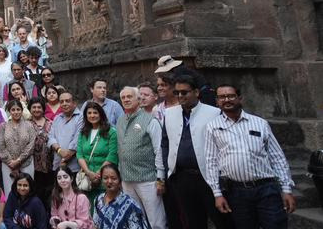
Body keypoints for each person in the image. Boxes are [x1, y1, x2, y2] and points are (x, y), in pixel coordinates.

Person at [204, 84, 295, 229]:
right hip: (236, 192)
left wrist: (286, 189)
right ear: (217, 101)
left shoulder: (260, 123)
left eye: (231, 96)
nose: (226, 100)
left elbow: (277, 157)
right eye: (222, 97)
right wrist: (217, 194)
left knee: (276, 225)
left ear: (240, 98)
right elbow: (211, 161)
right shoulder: (212, 127)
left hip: (266, 189)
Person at [160, 75, 230, 229]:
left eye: (184, 92)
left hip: (208, 177)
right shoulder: (169, 113)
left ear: (196, 92)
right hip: (181, 178)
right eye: (177, 93)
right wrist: (167, 168)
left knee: (222, 220)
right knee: (193, 222)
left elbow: (224, 145)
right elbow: (165, 144)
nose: (180, 96)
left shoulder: (214, 113)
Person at [116, 87, 165, 229]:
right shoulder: (120, 120)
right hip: (126, 179)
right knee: (134, 220)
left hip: (148, 179)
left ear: (138, 99)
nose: (126, 100)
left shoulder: (150, 120)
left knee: (156, 221)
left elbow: (159, 150)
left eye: (129, 96)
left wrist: (160, 178)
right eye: (123, 97)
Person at [77, 102, 118, 206]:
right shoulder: (83, 132)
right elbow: (79, 154)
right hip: (88, 179)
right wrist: (88, 172)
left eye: (95, 113)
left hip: (106, 178)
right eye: (89, 113)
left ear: (101, 114)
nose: (92, 115)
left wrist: (99, 173)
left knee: (105, 206)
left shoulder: (111, 132)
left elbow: (112, 155)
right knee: (89, 207)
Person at [0, 99, 38, 196]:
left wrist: (19, 160)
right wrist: (10, 162)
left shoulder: (29, 125)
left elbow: (31, 144)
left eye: (18, 109)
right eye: (13, 110)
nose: (16, 112)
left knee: (27, 190)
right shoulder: (3, 126)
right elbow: (1, 146)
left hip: (26, 163)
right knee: (10, 191)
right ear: (9, 111)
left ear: (22, 110)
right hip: (8, 164)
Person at [92, 164, 150, 229]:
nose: (109, 181)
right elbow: (95, 225)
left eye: (114, 178)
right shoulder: (98, 199)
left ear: (120, 181)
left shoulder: (130, 205)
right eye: (105, 178)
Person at [49, 90, 84, 173]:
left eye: (67, 101)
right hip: (58, 165)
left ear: (74, 103)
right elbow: (51, 137)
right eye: (61, 102)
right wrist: (59, 150)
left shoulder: (81, 117)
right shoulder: (57, 118)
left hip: (75, 166)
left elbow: (78, 138)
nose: (64, 104)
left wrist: (66, 156)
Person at [29, 98, 55, 202]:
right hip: (32, 165)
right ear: (30, 109)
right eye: (34, 107)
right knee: (36, 192)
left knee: (49, 193)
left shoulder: (51, 123)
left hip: (50, 164)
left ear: (43, 109)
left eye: (39, 107)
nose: (36, 109)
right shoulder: (26, 123)